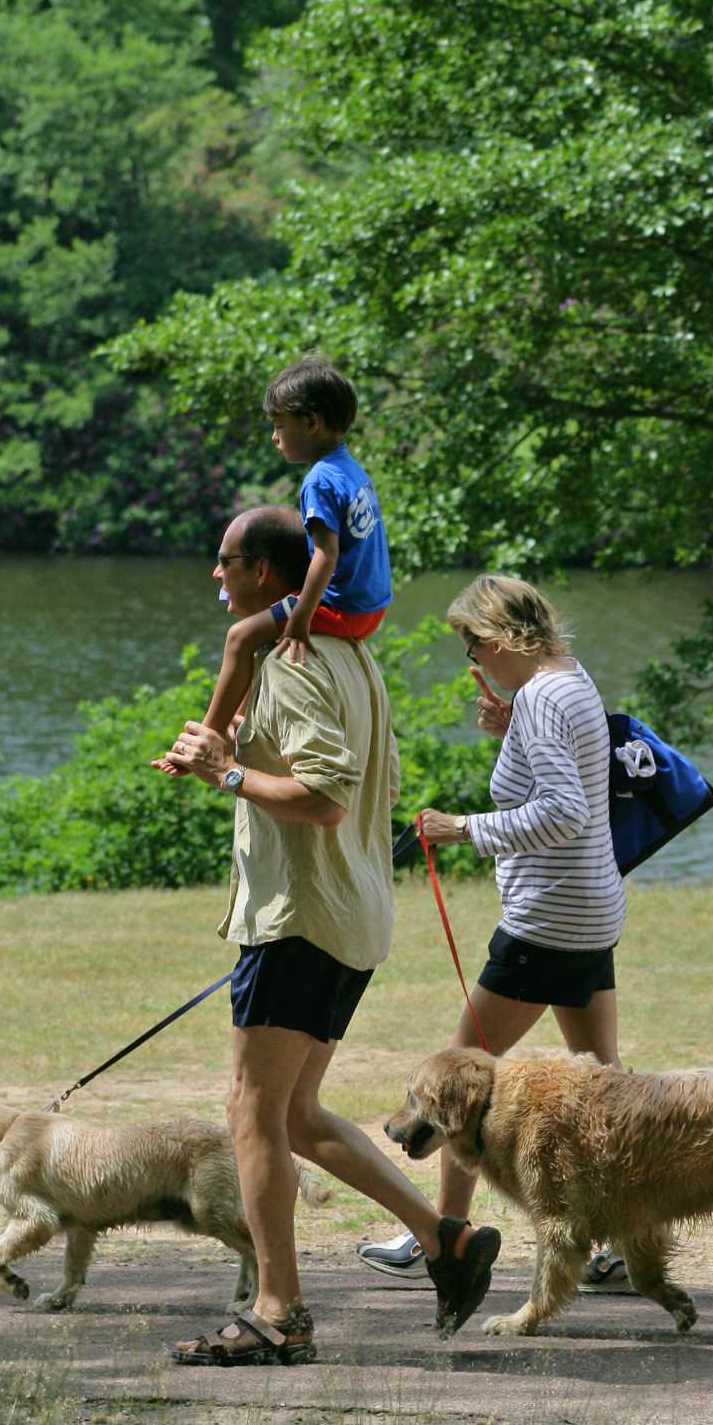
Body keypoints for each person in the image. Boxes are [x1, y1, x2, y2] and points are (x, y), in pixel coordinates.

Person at [157, 505, 498, 1365]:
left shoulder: (294, 658)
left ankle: (279, 1312)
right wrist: (240, 745)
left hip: (304, 919)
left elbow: (324, 795)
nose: (217, 574)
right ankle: (444, 1240)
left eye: (226, 559)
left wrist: (227, 770)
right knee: (295, 1114)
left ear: (267, 573)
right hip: (345, 916)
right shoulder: (350, 654)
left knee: (252, 1110)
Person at [357, 574, 632, 1293]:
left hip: (546, 919)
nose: (472, 662)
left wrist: (463, 828)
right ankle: (623, 1239)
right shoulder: (570, 681)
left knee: (456, 1080)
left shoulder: (541, 695)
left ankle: (444, 1234)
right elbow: (567, 775)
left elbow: (563, 810)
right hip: (590, 910)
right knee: (604, 1093)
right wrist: (513, 730)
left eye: (472, 645)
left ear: (505, 636)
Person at [190, 357, 390, 748]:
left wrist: (300, 619)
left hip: (341, 607)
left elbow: (326, 556)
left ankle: (208, 735)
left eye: (280, 426)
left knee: (239, 636)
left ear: (311, 423)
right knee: (261, 635)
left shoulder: (319, 480)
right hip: (372, 609)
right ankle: (245, 713)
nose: (274, 437)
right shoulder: (350, 469)